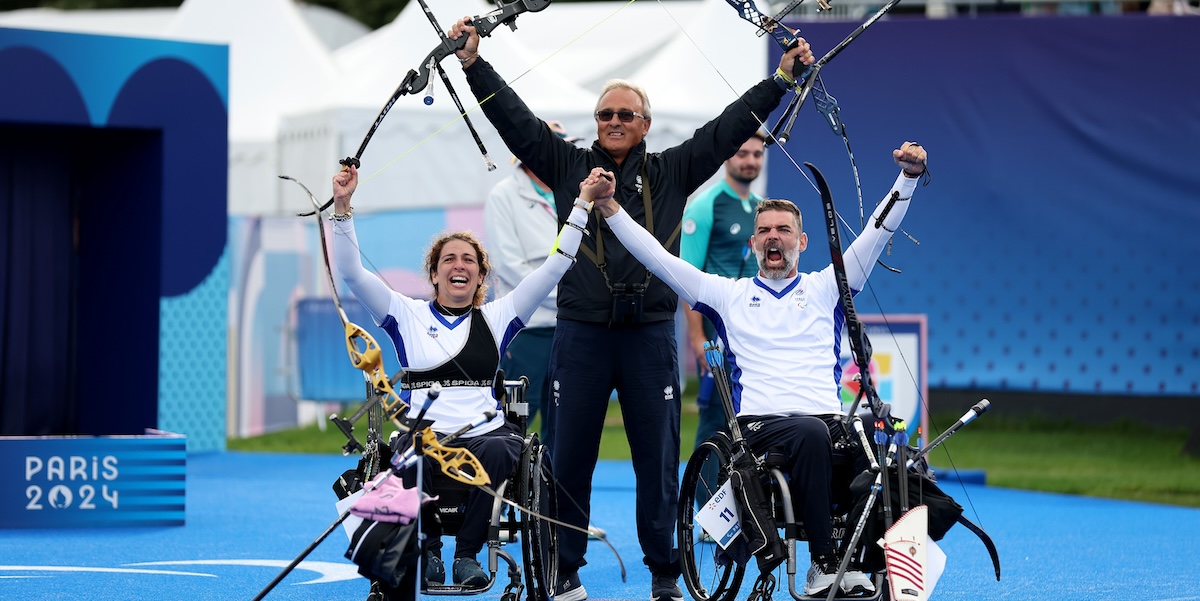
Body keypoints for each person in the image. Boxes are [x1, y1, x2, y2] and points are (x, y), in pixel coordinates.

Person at [448, 17, 814, 601]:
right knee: (569, 459)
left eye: (625, 115)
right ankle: (563, 569)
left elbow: (727, 129)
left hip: (648, 337)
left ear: (644, 124)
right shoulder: (566, 165)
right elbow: (514, 123)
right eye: (604, 115)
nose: (613, 123)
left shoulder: (672, 170)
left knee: (658, 460)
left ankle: (665, 573)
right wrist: (472, 63)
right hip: (583, 336)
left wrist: (780, 80)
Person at [585, 141, 929, 597]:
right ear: (752, 243)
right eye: (764, 230)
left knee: (886, 438)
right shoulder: (728, 294)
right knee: (810, 432)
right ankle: (823, 566)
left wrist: (906, 180)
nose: (773, 237)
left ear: (801, 242)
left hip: (827, 423)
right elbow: (656, 257)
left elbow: (875, 233)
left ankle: (878, 568)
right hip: (761, 428)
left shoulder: (827, 287)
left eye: (784, 229)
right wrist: (609, 207)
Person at [330, 164, 592, 591]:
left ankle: (467, 555)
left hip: (484, 436)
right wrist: (342, 208)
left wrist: (581, 206)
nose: (459, 265)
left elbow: (555, 266)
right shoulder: (404, 313)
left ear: (480, 277)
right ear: (434, 274)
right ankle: (429, 551)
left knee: (502, 449)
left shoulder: (499, 315)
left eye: (468, 260)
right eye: (448, 259)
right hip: (423, 436)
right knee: (407, 452)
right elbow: (352, 273)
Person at [483, 121, 583, 451]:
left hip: (568, 328)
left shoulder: (573, 192)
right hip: (525, 331)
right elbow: (509, 265)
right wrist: (570, 298)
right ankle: (503, 493)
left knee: (565, 425)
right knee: (514, 419)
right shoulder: (503, 195)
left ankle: (554, 498)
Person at [681, 131, 767, 450]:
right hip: (718, 332)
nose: (750, 161)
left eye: (757, 154)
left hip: (757, 328)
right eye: (743, 153)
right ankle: (706, 500)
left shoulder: (763, 208)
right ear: (727, 156)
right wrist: (696, 339)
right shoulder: (705, 206)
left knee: (757, 418)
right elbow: (686, 281)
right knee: (718, 422)